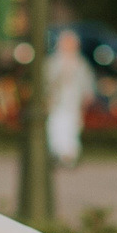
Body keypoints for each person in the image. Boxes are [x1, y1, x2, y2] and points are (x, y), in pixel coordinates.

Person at [44, 28, 95, 167]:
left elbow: (87, 82)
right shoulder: (53, 62)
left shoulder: (80, 63)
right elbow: (47, 81)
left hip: (73, 101)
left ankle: (69, 155)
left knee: (72, 127)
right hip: (57, 101)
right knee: (55, 126)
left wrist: (87, 96)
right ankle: (57, 153)